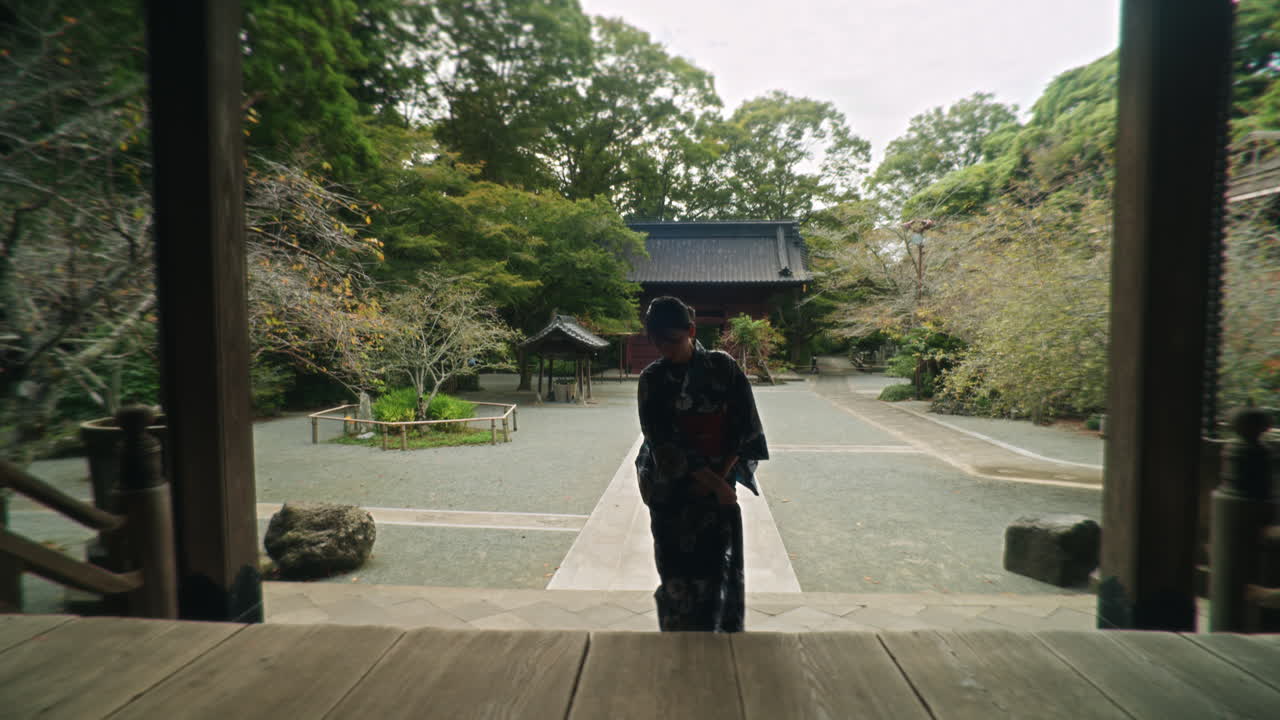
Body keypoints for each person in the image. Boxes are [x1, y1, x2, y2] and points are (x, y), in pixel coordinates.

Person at [634, 296, 768, 632]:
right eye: (657, 341)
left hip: (717, 484)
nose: (665, 349)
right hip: (671, 490)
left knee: (715, 569)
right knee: (675, 572)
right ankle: (678, 640)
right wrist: (715, 483)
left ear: (691, 330)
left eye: (672, 340)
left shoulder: (723, 368)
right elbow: (662, 442)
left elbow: (744, 428)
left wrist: (720, 480)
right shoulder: (652, 380)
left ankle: (716, 640)